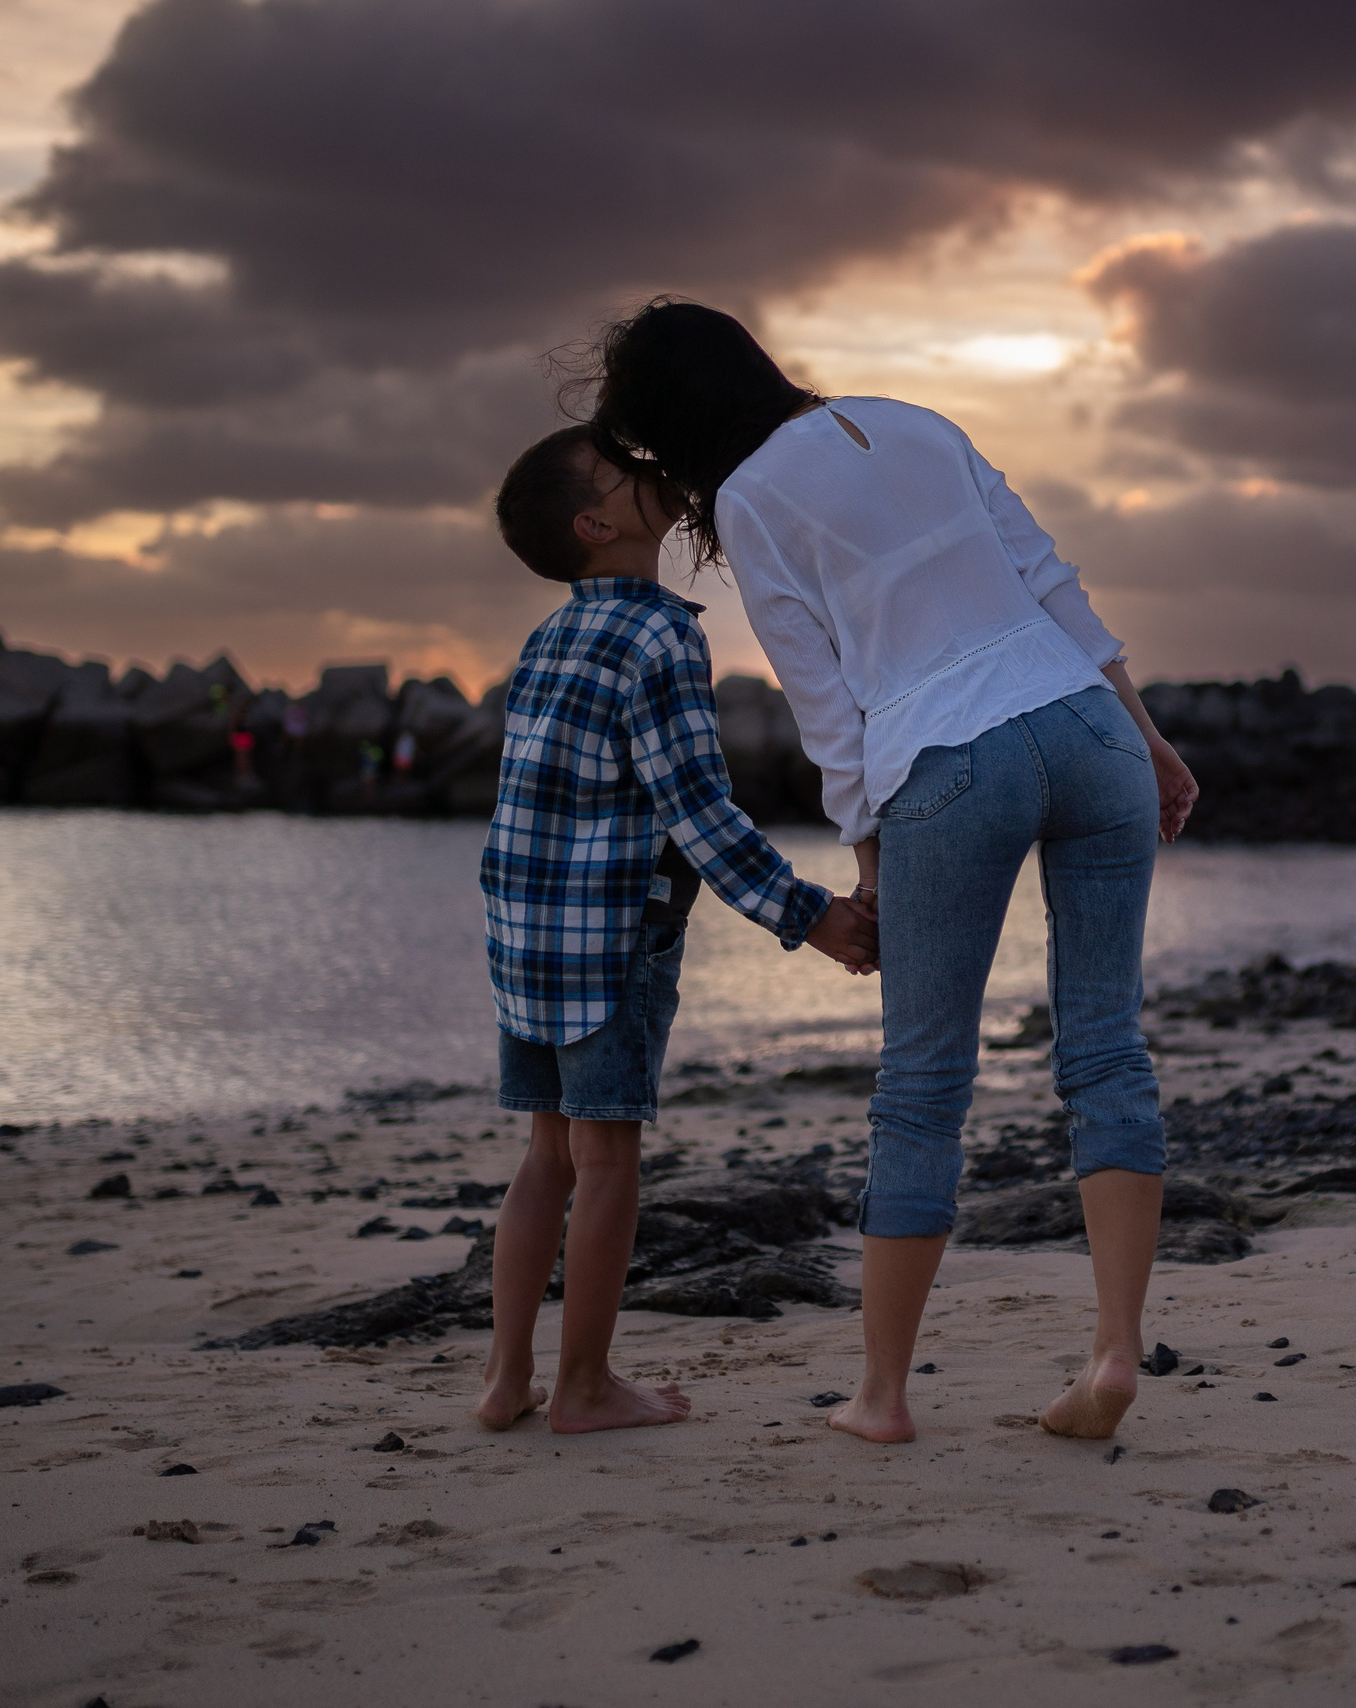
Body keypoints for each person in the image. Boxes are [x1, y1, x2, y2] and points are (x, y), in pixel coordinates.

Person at [592, 301, 1199, 1444]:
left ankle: (881, 1397)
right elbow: (1052, 583)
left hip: (949, 755)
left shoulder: (749, 499)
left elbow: (821, 696)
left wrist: (867, 853)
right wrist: (1149, 735)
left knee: (923, 1085)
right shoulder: (911, 420)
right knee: (1107, 1045)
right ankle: (1114, 1350)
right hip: (1088, 727)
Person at [475, 424, 879, 1435]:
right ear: (596, 523)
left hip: (524, 939)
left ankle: (506, 1378)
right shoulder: (661, 636)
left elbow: (523, 802)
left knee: (545, 1157)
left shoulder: (547, 638)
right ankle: (582, 1387)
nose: (658, 471)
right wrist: (815, 917)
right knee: (606, 1160)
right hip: (610, 942)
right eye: (629, 471)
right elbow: (698, 815)